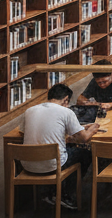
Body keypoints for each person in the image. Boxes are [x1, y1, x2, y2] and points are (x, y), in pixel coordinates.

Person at [19, 82, 100, 210]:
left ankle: (48, 192)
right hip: (52, 164)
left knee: (65, 150)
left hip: (27, 163)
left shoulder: (30, 110)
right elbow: (84, 138)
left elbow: (22, 132)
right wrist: (93, 129)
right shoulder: (66, 112)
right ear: (65, 100)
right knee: (85, 154)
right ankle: (65, 195)